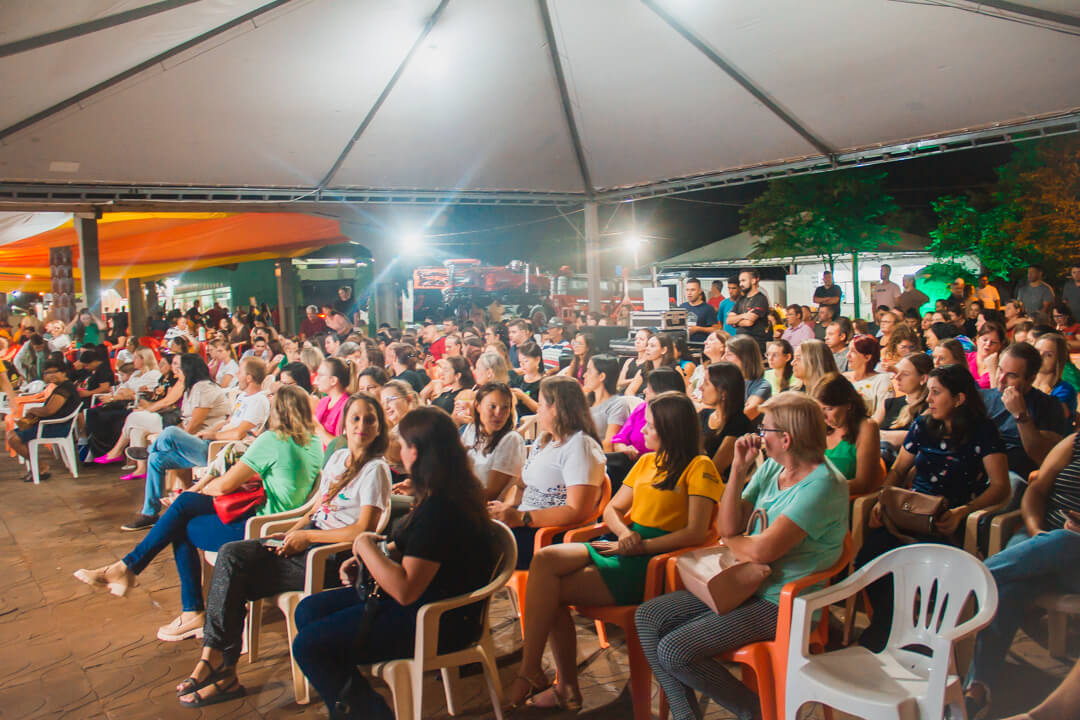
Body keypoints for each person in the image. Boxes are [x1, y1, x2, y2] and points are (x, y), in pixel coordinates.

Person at [161, 392, 390, 707]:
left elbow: (361, 530)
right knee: (231, 555)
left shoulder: (375, 470)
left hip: (332, 555)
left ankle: (219, 669)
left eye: (370, 419)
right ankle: (216, 661)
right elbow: (316, 510)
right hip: (308, 537)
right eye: (355, 418)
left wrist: (307, 539)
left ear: (379, 427)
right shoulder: (337, 459)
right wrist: (293, 532)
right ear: (344, 424)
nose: (362, 425)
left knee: (234, 579)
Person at [636, 393, 848, 720]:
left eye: (765, 430)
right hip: (743, 582)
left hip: (783, 601)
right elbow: (727, 524)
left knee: (675, 650)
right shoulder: (773, 468)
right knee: (648, 617)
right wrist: (738, 469)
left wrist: (731, 540)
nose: (759, 436)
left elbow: (763, 550)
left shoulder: (822, 484)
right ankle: (685, 716)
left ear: (786, 439)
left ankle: (757, 712)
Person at [504, 392, 722, 711]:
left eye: (649, 426)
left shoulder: (699, 466)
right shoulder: (648, 461)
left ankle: (554, 681)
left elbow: (696, 531)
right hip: (627, 544)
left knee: (547, 592)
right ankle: (534, 669)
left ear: (672, 429)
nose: (642, 431)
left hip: (658, 562)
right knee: (545, 559)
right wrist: (624, 535)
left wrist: (640, 545)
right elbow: (613, 511)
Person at [289, 407, 497, 719]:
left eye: (402, 444)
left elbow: (405, 590)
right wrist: (371, 557)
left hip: (436, 620)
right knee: (308, 610)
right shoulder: (442, 493)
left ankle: (367, 711)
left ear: (415, 452)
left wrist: (363, 544)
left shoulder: (442, 508)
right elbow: (402, 547)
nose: (398, 450)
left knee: (309, 645)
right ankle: (350, 702)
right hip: (426, 603)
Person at [73, 386, 323, 643]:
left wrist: (209, 484)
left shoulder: (273, 440)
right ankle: (128, 569)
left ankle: (185, 606)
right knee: (185, 506)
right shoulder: (314, 442)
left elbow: (225, 485)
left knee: (179, 523)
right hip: (281, 519)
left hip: (256, 526)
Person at [856, 364, 1010, 651]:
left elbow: (1001, 486)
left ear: (959, 399)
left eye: (936, 393)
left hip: (952, 515)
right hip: (914, 511)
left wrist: (964, 511)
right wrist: (883, 497)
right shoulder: (924, 425)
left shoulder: (983, 431)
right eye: (929, 392)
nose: (928, 399)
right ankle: (889, 625)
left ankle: (923, 635)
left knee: (924, 563)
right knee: (870, 555)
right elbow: (899, 470)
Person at [964, 432, 1080, 718]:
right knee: (1009, 588)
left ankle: (968, 580)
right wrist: (1035, 527)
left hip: (1073, 555)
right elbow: (1037, 489)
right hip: (1039, 540)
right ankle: (977, 691)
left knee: (1064, 542)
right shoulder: (1075, 442)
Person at [487, 376, 605, 570]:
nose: (537, 409)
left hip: (551, 533)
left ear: (556, 408)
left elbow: (577, 510)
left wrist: (520, 518)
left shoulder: (580, 446)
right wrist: (506, 510)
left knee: (471, 545)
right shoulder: (545, 440)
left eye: (541, 404)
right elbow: (521, 485)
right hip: (526, 524)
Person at [121, 354, 233, 530]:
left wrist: (178, 440)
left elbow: (195, 423)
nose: (176, 371)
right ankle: (150, 513)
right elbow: (185, 421)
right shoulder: (191, 389)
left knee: (170, 432)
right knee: (156, 460)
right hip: (195, 445)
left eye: (179, 368)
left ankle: (150, 449)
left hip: (209, 447)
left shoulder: (205, 388)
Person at [981, 342, 1071, 480]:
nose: (1001, 379)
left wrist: (1020, 415)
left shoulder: (1048, 405)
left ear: (1031, 379)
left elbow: (1042, 457)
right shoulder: (982, 397)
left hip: (1014, 474)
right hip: (979, 465)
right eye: (1000, 370)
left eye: (1011, 375)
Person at [5, 359, 81, 483]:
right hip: (51, 425)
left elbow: (49, 410)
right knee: (12, 435)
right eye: (47, 373)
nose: (51, 375)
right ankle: (37, 466)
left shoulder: (65, 389)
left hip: (56, 427)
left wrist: (34, 410)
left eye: (54, 372)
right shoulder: (61, 387)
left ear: (63, 373)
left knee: (14, 438)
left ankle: (40, 467)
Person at [610, 367, 686, 488]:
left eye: (649, 388)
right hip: (629, 463)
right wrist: (624, 449)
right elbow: (619, 438)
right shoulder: (642, 408)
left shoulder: (678, 417)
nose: (644, 391)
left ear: (662, 391)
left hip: (658, 470)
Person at [812, 373, 884, 495]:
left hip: (843, 500)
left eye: (829, 409)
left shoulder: (867, 427)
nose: (823, 416)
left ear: (849, 404)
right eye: (820, 409)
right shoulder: (819, 427)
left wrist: (819, 491)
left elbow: (863, 484)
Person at [460, 382, 526, 502]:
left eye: (505, 407)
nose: (498, 414)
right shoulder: (472, 429)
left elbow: (491, 494)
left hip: (485, 509)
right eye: (492, 406)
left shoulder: (511, 440)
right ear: (478, 406)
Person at [874, 352, 932, 466]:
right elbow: (869, 428)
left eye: (905, 374)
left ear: (923, 378)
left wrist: (877, 434)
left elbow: (913, 438)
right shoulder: (889, 403)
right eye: (897, 372)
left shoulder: (930, 407)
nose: (897, 377)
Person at [699, 361, 754, 477]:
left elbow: (715, 470)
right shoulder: (703, 415)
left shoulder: (738, 423)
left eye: (706, 383)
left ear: (723, 392)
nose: (700, 388)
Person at [584, 354, 629, 452]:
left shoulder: (618, 404)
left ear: (601, 376)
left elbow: (609, 443)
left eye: (589, 371)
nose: (584, 375)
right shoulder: (585, 402)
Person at [844, 335, 892, 417]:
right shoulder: (843, 379)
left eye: (853, 352)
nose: (847, 355)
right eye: (848, 350)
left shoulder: (881, 380)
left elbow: (881, 414)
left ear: (867, 357)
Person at [1034, 332, 1078, 421]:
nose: (1040, 356)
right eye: (1037, 351)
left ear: (1058, 359)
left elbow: (1051, 419)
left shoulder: (1065, 390)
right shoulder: (1022, 382)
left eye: (1048, 355)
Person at [726, 269, 770, 354]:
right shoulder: (741, 299)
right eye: (740, 281)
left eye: (743, 281)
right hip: (740, 344)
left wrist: (735, 322)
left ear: (753, 280)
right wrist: (744, 315)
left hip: (755, 346)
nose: (741, 284)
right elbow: (728, 320)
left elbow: (748, 322)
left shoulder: (760, 299)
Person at [625, 333, 679, 397]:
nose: (647, 349)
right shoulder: (645, 368)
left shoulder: (674, 369)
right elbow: (629, 391)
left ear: (664, 350)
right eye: (647, 345)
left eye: (652, 346)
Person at [314, 357, 351, 446]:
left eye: (321, 375)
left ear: (333, 380)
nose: (317, 378)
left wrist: (318, 428)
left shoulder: (348, 405)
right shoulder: (323, 401)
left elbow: (342, 446)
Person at [688, 330, 728, 402]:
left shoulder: (727, 371)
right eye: (706, 340)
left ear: (723, 346)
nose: (705, 342)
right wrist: (691, 398)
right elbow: (690, 387)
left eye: (711, 340)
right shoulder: (700, 368)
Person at [967, 321, 1007, 389]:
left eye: (993, 342)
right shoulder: (965, 358)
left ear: (1000, 345)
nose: (988, 344)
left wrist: (993, 369)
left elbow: (998, 394)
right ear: (977, 339)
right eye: (985, 340)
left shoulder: (1003, 366)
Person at [510, 341, 543, 418]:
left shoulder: (543, 384)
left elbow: (541, 410)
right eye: (520, 362)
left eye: (526, 361)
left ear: (537, 360)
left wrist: (524, 397)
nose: (522, 365)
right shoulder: (517, 380)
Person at [681, 277, 719, 343]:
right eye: (687, 290)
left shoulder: (708, 308)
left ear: (699, 291)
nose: (689, 293)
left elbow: (715, 329)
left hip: (701, 345)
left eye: (693, 290)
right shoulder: (682, 307)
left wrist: (698, 329)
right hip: (685, 345)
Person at [617, 328, 652, 394]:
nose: (637, 342)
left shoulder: (650, 362)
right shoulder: (629, 361)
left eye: (641, 339)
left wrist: (629, 381)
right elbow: (620, 382)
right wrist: (637, 380)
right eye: (636, 339)